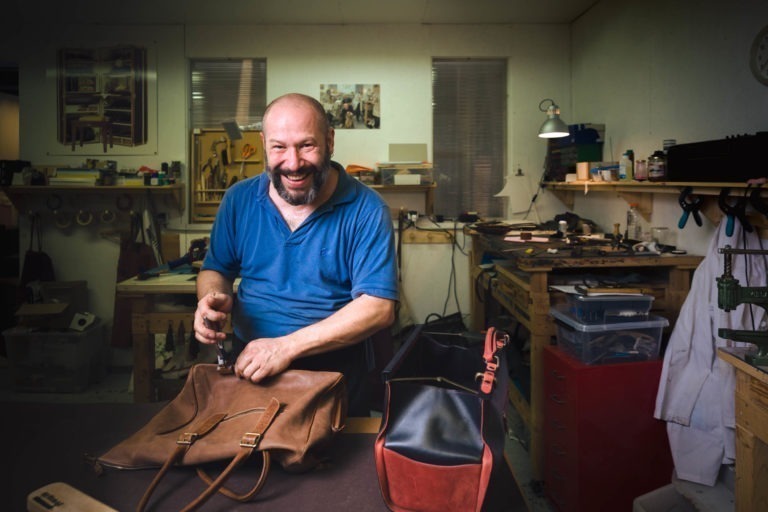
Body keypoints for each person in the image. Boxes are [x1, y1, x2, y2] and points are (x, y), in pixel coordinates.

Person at [193, 93, 398, 416]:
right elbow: (215, 268)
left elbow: (379, 308)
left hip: (333, 369)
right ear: (263, 144)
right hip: (250, 361)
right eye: (279, 147)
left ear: (330, 139)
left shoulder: (367, 209)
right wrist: (211, 297)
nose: (293, 163)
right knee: (247, 459)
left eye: (306, 145)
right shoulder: (238, 200)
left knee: (337, 464)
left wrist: (286, 347)